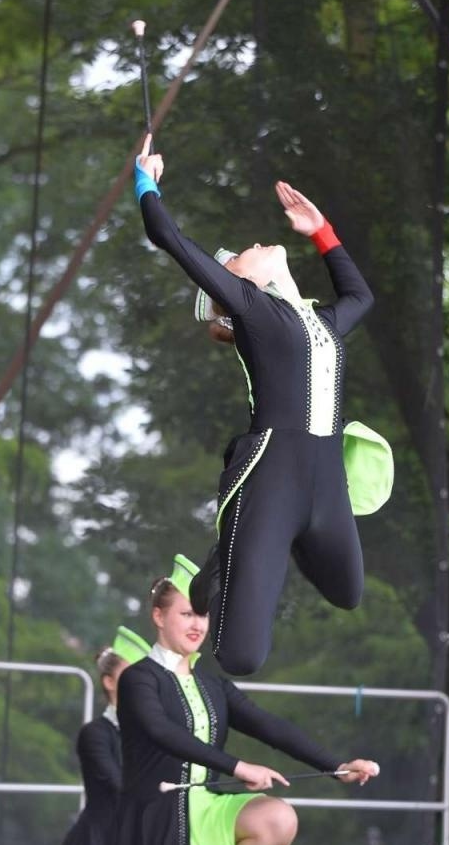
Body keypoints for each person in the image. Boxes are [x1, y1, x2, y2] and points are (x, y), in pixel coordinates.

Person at [133, 137, 391, 676]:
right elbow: (167, 235)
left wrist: (321, 232)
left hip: (324, 483)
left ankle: (263, 541)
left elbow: (361, 297)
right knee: (242, 656)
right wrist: (146, 181)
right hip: (272, 475)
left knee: (348, 592)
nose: (251, 242)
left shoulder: (321, 322)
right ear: (242, 279)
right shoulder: (254, 310)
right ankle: (232, 558)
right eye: (238, 255)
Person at [104, 554, 379, 845]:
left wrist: (336, 765)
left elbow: (268, 725)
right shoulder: (138, 680)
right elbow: (162, 732)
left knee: (278, 818)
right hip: (159, 822)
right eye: (186, 614)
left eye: (203, 614)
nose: (197, 624)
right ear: (159, 617)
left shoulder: (212, 685)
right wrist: (237, 766)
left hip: (207, 814)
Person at [37, 628, 162, 845]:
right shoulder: (96, 733)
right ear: (109, 682)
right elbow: (115, 780)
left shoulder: (150, 732)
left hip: (136, 832)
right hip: (103, 835)